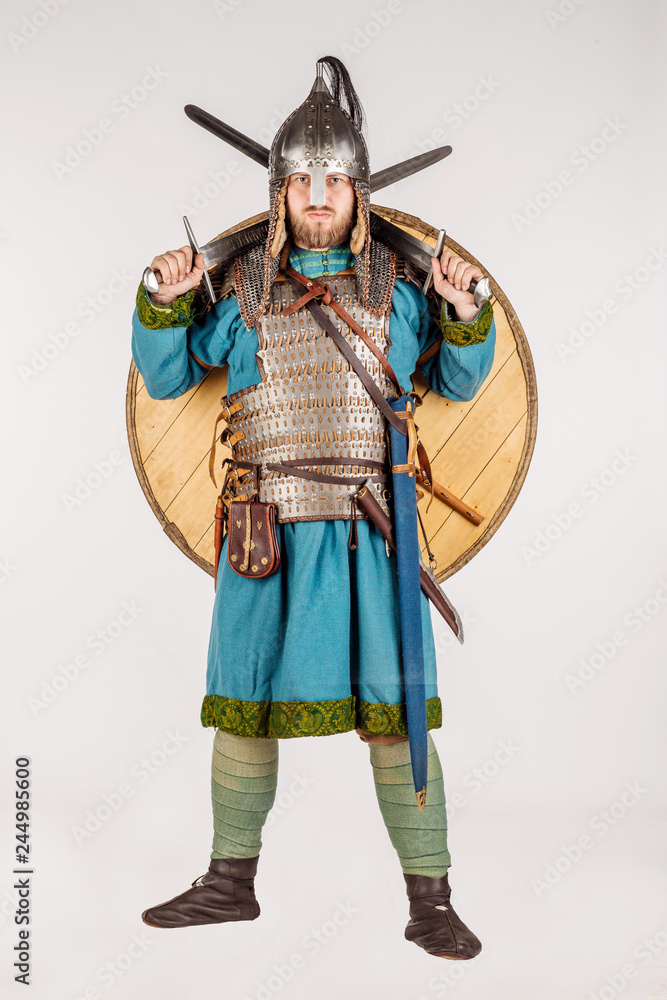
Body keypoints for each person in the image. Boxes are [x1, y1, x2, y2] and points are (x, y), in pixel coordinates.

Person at [131, 56, 495, 960]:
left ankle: (431, 900)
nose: (319, 191)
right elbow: (169, 375)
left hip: (373, 535)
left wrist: (461, 310)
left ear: (359, 191)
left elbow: (458, 379)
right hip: (262, 532)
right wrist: (164, 302)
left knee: (396, 709)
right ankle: (228, 884)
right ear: (280, 190)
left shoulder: (394, 297)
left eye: (334, 177)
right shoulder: (245, 296)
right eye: (302, 178)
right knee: (242, 701)